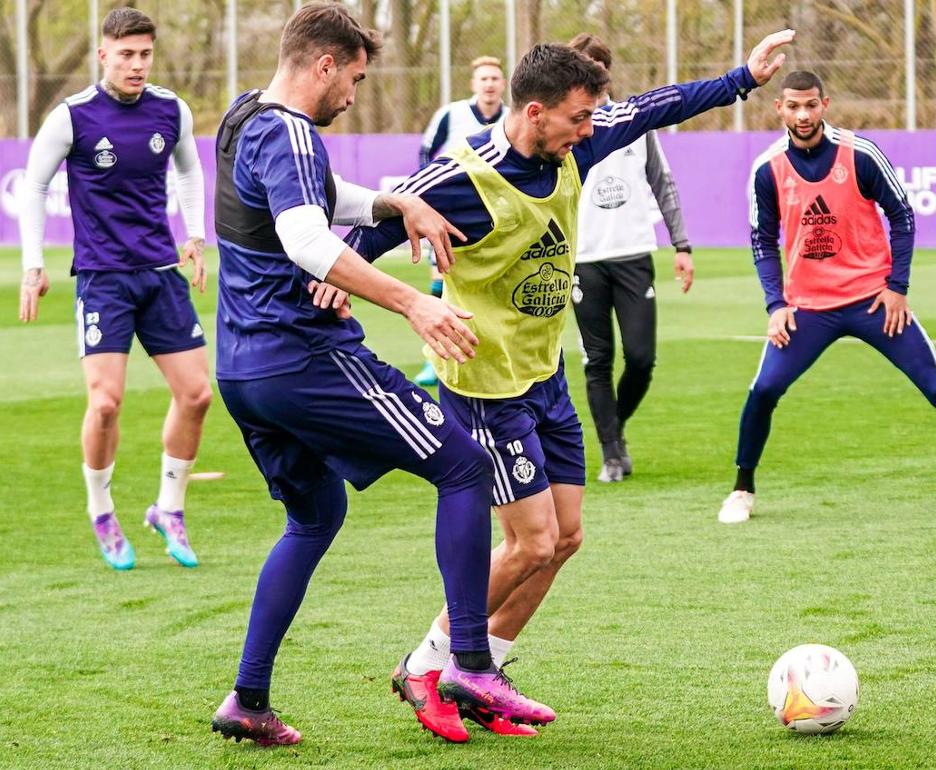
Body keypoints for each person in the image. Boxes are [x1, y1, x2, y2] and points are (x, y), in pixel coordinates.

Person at [347, 30, 796, 740]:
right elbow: (358, 245)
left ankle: (480, 675)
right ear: (534, 113)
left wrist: (743, 76)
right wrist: (332, 288)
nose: (591, 130)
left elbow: (654, 107)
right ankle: (427, 664)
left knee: (566, 539)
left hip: (547, 375)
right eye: (579, 119)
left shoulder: (574, 143)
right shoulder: (462, 179)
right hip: (488, 388)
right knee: (529, 543)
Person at [207, 2, 552, 747]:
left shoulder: (243, 119)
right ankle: (468, 661)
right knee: (463, 466)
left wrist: (398, 202)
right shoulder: (295, 132)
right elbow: (304, 235)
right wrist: (411, 305)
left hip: (240, 366)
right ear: (324, 64)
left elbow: (313, 199)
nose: (354, 96)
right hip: (302, 358)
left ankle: (248, 698)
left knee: (315, 515)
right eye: (354, 79)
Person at [716, 70, 936, 526]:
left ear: (825, 104)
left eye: (810, 105)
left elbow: (902, 216)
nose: (803, 115)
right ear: (779, 109)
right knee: (764, 389)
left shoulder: (860, 153)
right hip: (807, 308)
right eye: (793, 106)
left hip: (873, 303)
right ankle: (742, 489)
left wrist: (897, 287)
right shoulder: (768, 168)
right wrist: (776, 304)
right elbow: (762, 241)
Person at [18, 8, 210, 571]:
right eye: (125, 54)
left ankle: (168, 508)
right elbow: (32, 186)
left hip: (159, 275)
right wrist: (34, 265)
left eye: (145, 54)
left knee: (197, 394)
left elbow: (191, 172)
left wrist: (195, 235)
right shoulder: (72, 117)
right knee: (105, 403)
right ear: (103, 54)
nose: (136, 64)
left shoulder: (171, 109)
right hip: (102, 279)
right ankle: (101, 508)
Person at [567, 33, 694, 483]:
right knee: (597, 360)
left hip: (633, 253)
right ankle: (611, 452)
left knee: (641, 358)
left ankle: (613, 426)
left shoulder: (637, 123)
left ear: (606, 74)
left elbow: (663, 182)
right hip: (583, 259)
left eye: (596, 68)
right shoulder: (564, 127)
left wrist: (682, 245)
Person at [411, 56, 510, 387]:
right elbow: (426, 152)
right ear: (474, 84)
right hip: (452, 212)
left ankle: (492, 349)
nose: (490, 84)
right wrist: (435, 194)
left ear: (503, 83)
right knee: (442, 276)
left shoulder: (512, 118)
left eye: (495, 78)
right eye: (484, 78)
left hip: (498, 214)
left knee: (496, 282)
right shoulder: (451, 114)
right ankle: (435, 354)